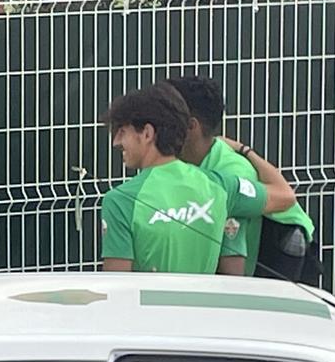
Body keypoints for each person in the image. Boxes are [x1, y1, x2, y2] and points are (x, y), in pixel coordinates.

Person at [99, 82, 298, 276]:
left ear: (148, 133)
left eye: (122, 132)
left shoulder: (119, 201)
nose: (116, 142)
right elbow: (286, 196)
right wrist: (243, 150)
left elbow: (119, 289)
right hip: (205, 308)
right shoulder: (222, 186)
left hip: (151, 309)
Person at [166, 75, 320, 283]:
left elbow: (234, 270)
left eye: (165, 116)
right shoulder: (187, 159)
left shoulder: (232, 174)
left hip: (278, 252)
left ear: (191, 126)